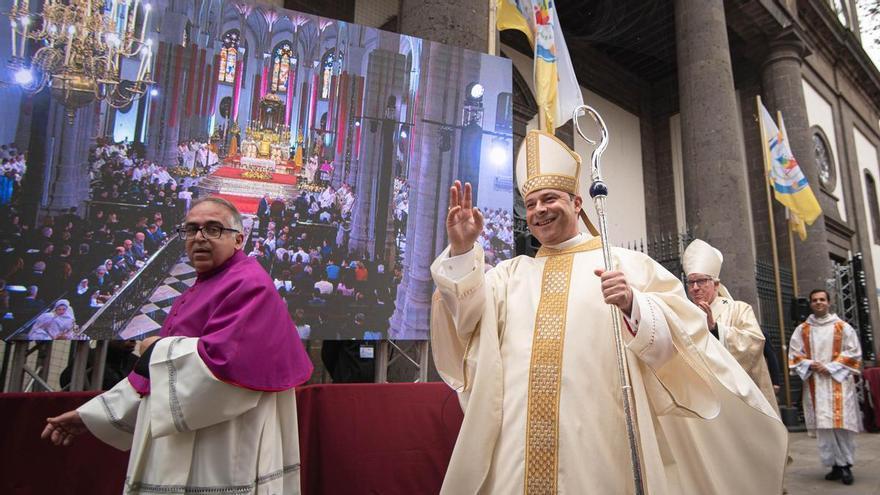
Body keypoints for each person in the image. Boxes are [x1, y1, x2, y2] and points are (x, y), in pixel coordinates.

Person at [430, 130, 786, 493]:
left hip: (602, 438)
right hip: (516, 442)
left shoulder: (625, 263)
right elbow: (468, 322)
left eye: (549, 198)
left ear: (577, 203)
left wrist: (635, 305)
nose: (539, 210)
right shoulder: (509, 275)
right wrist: (461, 252)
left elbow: (685, 341)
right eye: (531, 202)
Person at [41, 197, 313, 494]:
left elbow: (220, 365)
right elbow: (155, 382)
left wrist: (155, 349)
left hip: (219, 447)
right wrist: (90, 416)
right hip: (188, 438)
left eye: (213, 229)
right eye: (192, 229)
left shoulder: (249, 284)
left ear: (239, 239)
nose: (199, 237)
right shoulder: (210, 281)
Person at [682, 239, 778, 408]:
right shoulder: (684, 314)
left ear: (716, 285)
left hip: (736, 400)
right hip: (702, 398)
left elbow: (755, 342)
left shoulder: (739, 309)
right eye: (691, 282)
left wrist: (715, 329)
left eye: (701, 281)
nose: (695, 288)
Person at [789, 289, 863, 485]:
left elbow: (854, 353)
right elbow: (795, 354)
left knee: (840, 426)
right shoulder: (802, 329)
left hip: (838, 383)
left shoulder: (843, 327)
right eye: (815, 300)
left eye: (822, 299)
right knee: (825, 428)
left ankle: (846, 465)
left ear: (829, 302)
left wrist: (830, 367)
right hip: (816, 383)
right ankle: (834, 466)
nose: (819, 303)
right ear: (811, 304)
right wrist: (810, 364)